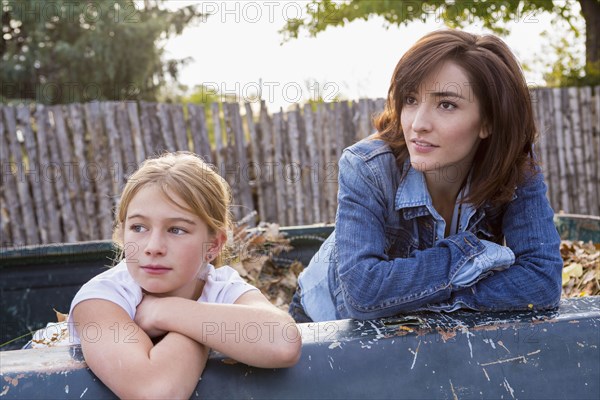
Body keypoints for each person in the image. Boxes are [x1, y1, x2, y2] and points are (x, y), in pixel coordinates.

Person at [290, 29, 563, 323]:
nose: (418, 124)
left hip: (419, 324)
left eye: (446, 104)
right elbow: (364, 295)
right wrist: (468, 252)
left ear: (488, 122)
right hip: (324, 323)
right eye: (410, 100)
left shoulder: (514, 166)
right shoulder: (366, 167)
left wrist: (420, 303)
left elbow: (542, 281)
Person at [68, 152, 301, 399]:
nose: (153, 246)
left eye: (176, 229)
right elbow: (156, 391)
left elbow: (283, 341)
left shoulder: (220, 285)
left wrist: (162, 312)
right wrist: (203, 329)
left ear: (213, 245)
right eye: (138, 227)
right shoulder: (102, 297)